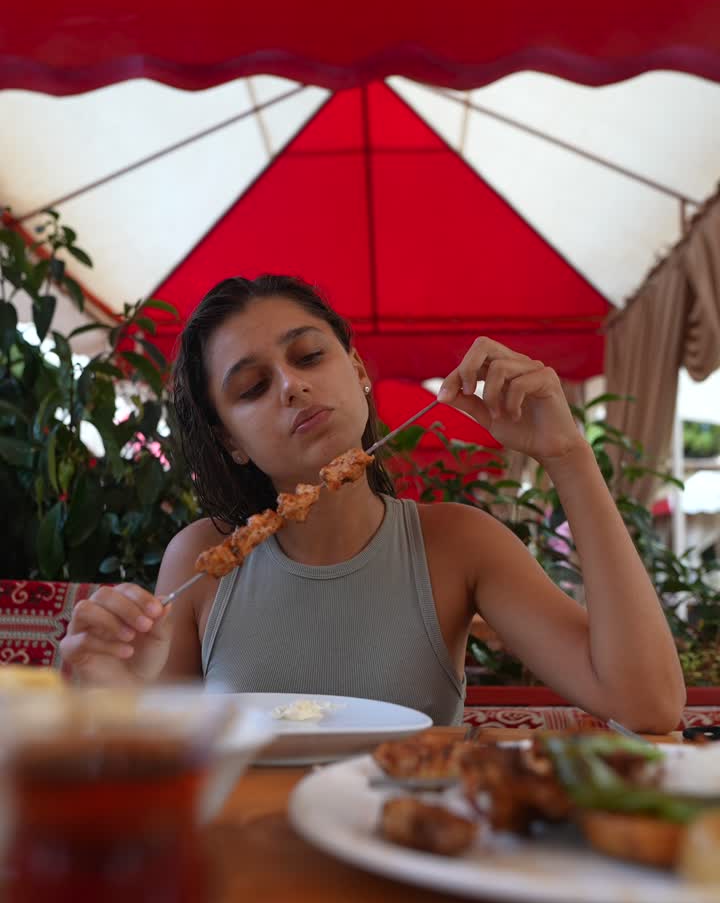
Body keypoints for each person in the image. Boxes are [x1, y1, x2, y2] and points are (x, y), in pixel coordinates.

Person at [60, 275, 685, 732]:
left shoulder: (460, 544)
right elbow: (167, 774)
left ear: (358, 369)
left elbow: (648, 702)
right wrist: (116, 698)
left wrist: (568, 456)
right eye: (252, 386)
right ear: (230, 440)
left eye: (309, 356)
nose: (292, 385)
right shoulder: (200, 559)